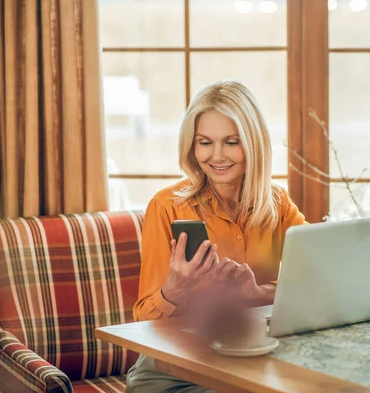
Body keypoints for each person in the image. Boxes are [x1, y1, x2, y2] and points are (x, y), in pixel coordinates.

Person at [126, 80, 306, 393]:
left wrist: (257, 293)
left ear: (253, 143)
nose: (217, 156)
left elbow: (313, 283)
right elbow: (144, 318)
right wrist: (176, 287)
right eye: (205, 142)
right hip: (175, 371)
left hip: (251, 363)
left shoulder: (276, 203)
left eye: (232, 142)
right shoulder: (167, 206)